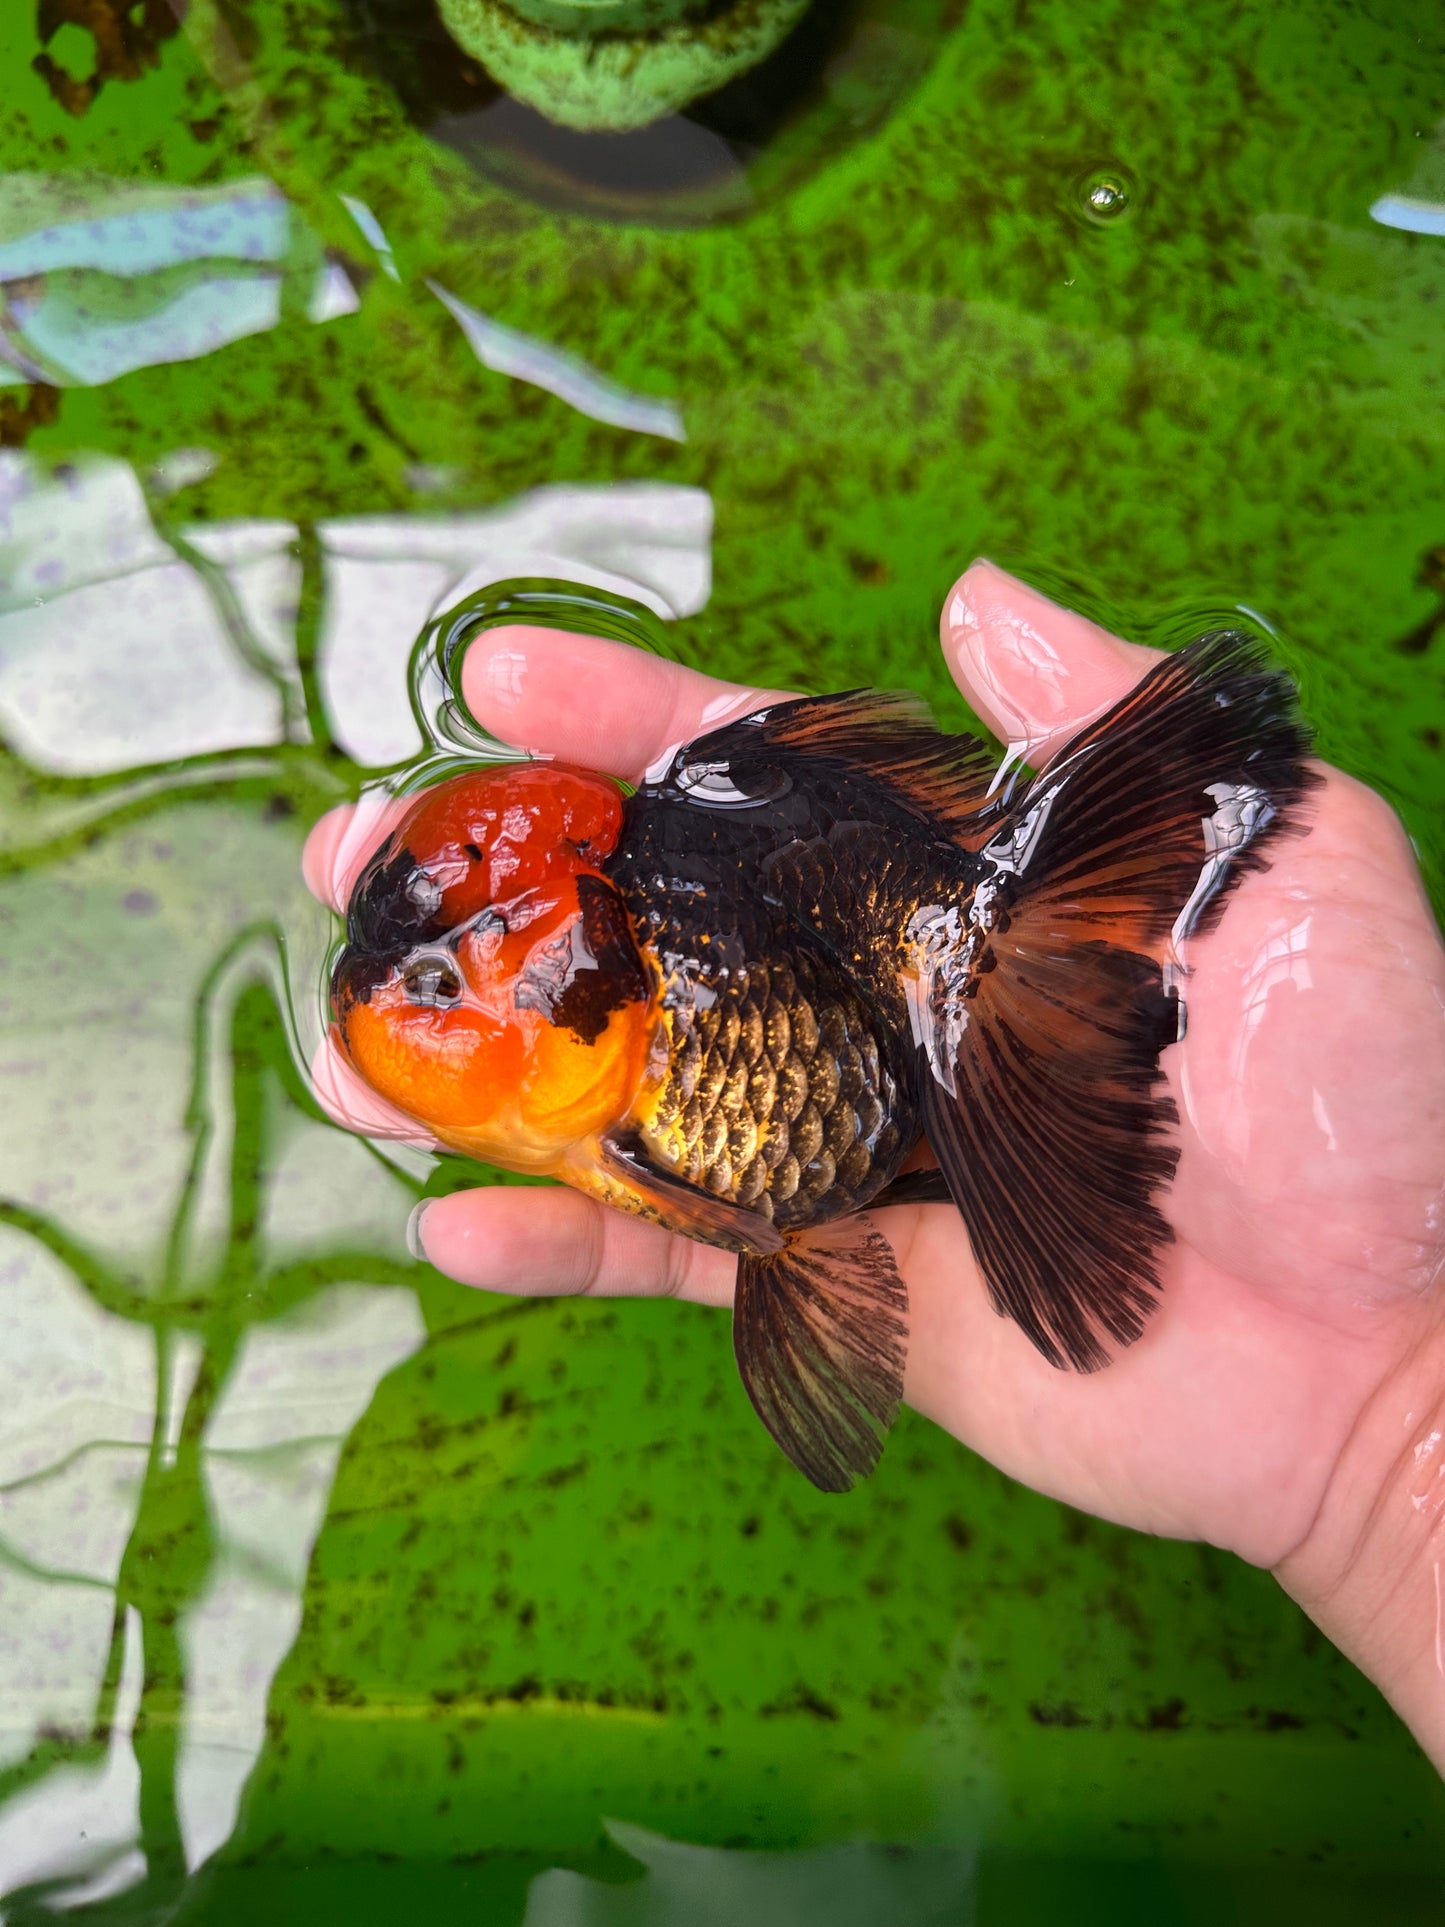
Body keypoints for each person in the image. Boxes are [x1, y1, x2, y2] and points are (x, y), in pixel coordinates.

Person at [304, 559, 1445, 1774]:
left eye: (438, 987)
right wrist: (1387, 1438)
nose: (405, 1012)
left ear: (592, 997)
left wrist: (1397, 1412)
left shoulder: (650, 1092)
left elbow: (762, 1222)